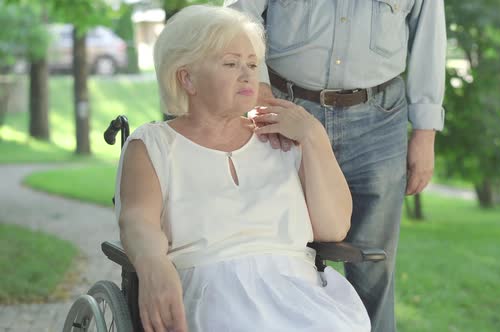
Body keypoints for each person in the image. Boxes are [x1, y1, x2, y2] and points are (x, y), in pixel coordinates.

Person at [115, 5, 371, 332]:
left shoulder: (283, 139)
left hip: (299, 292)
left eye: (252, 64)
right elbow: (137, 220)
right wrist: (153, 264)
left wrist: (313, 135)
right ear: (187, 78)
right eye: (231, 63)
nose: (248, 74)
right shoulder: (153, 144)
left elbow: (333, 229)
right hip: (211, 294)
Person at [225, 1, 447, 331]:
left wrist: (426, 132)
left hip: (380, 121)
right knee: (280, 255)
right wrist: (257, 83)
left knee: (374, 266)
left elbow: (430, 39)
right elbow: (240, 10)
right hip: (286, 107)